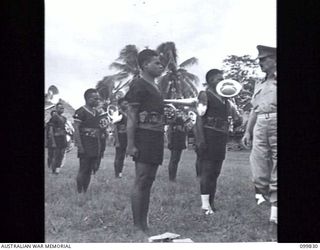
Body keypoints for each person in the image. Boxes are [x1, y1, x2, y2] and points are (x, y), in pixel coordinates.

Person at [125, 49, 164, 232]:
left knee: (149, 179)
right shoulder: (138, 85)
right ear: (145, 65)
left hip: (156, 136)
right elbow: (132, 116)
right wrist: (131, 144)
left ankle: (144, 223)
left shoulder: (155, 86)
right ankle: (137, 225)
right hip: (144, 136)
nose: (161, 66)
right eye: (156, 63)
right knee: (141, 179)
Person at [194, 69, 241, 215]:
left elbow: (237, 119)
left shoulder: (226, 99)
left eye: (222, 78)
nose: (221, 81)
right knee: (207, 171)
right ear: (210, 81)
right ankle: (204, 205)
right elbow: (199, 119)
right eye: (217, 79)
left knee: (215, 172)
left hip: (221, 137)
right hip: (208, 135)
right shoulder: (205, 95)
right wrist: (201, 140)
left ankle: (211, 204)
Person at [242, 45, 277, 224]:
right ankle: (265, 195)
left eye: (263, 59)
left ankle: (275, 215)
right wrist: (248, 131)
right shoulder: (259, 83)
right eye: (259, 60)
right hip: (260, 123)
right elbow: (254, 110)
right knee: (258, 170)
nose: (260, 63)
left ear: (274, 59)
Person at [73, 89, 108, 193]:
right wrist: (80, 146)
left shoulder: (97, 112)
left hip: (95, 144)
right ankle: (79, 191)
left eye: (98, 98)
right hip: (85, 143)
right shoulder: (80, 111)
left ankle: (85, 191)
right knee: (83, 168)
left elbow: (102, 128)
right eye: (95, 98)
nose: (97, 100)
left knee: (90, 170)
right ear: (88, 99)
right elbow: (76, 130)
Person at [47, 103, 68, 174]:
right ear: (56, 109)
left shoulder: (64, 118)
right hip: (56, 138)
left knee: (61, 154)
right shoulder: (54, 118)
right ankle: (53, 170)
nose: (62, 109)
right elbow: (51, 130)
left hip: (63, 138)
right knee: (56, 155)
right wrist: (53, 141)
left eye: (63, 108)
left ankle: (57, 170)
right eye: (60, 108)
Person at [167, 115, 187, 181]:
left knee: (176, 160)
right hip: (176, 140)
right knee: (174, 160)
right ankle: (172, 177)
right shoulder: (175, 119)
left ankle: (173, 177)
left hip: (179, 140)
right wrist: (169, 141)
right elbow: (170, 131)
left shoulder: (179, 119)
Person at [113, 98, 128, 178]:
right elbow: (115, 128)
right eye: (124, 103)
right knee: (118, 156)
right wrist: (117, 141)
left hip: (126, 137)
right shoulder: (117, 113)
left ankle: (120, 172)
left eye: (127, 103)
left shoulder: (128, 114)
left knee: (123, 156)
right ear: (120, 105)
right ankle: (116, 173)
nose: (126, 105)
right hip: (120, 136)